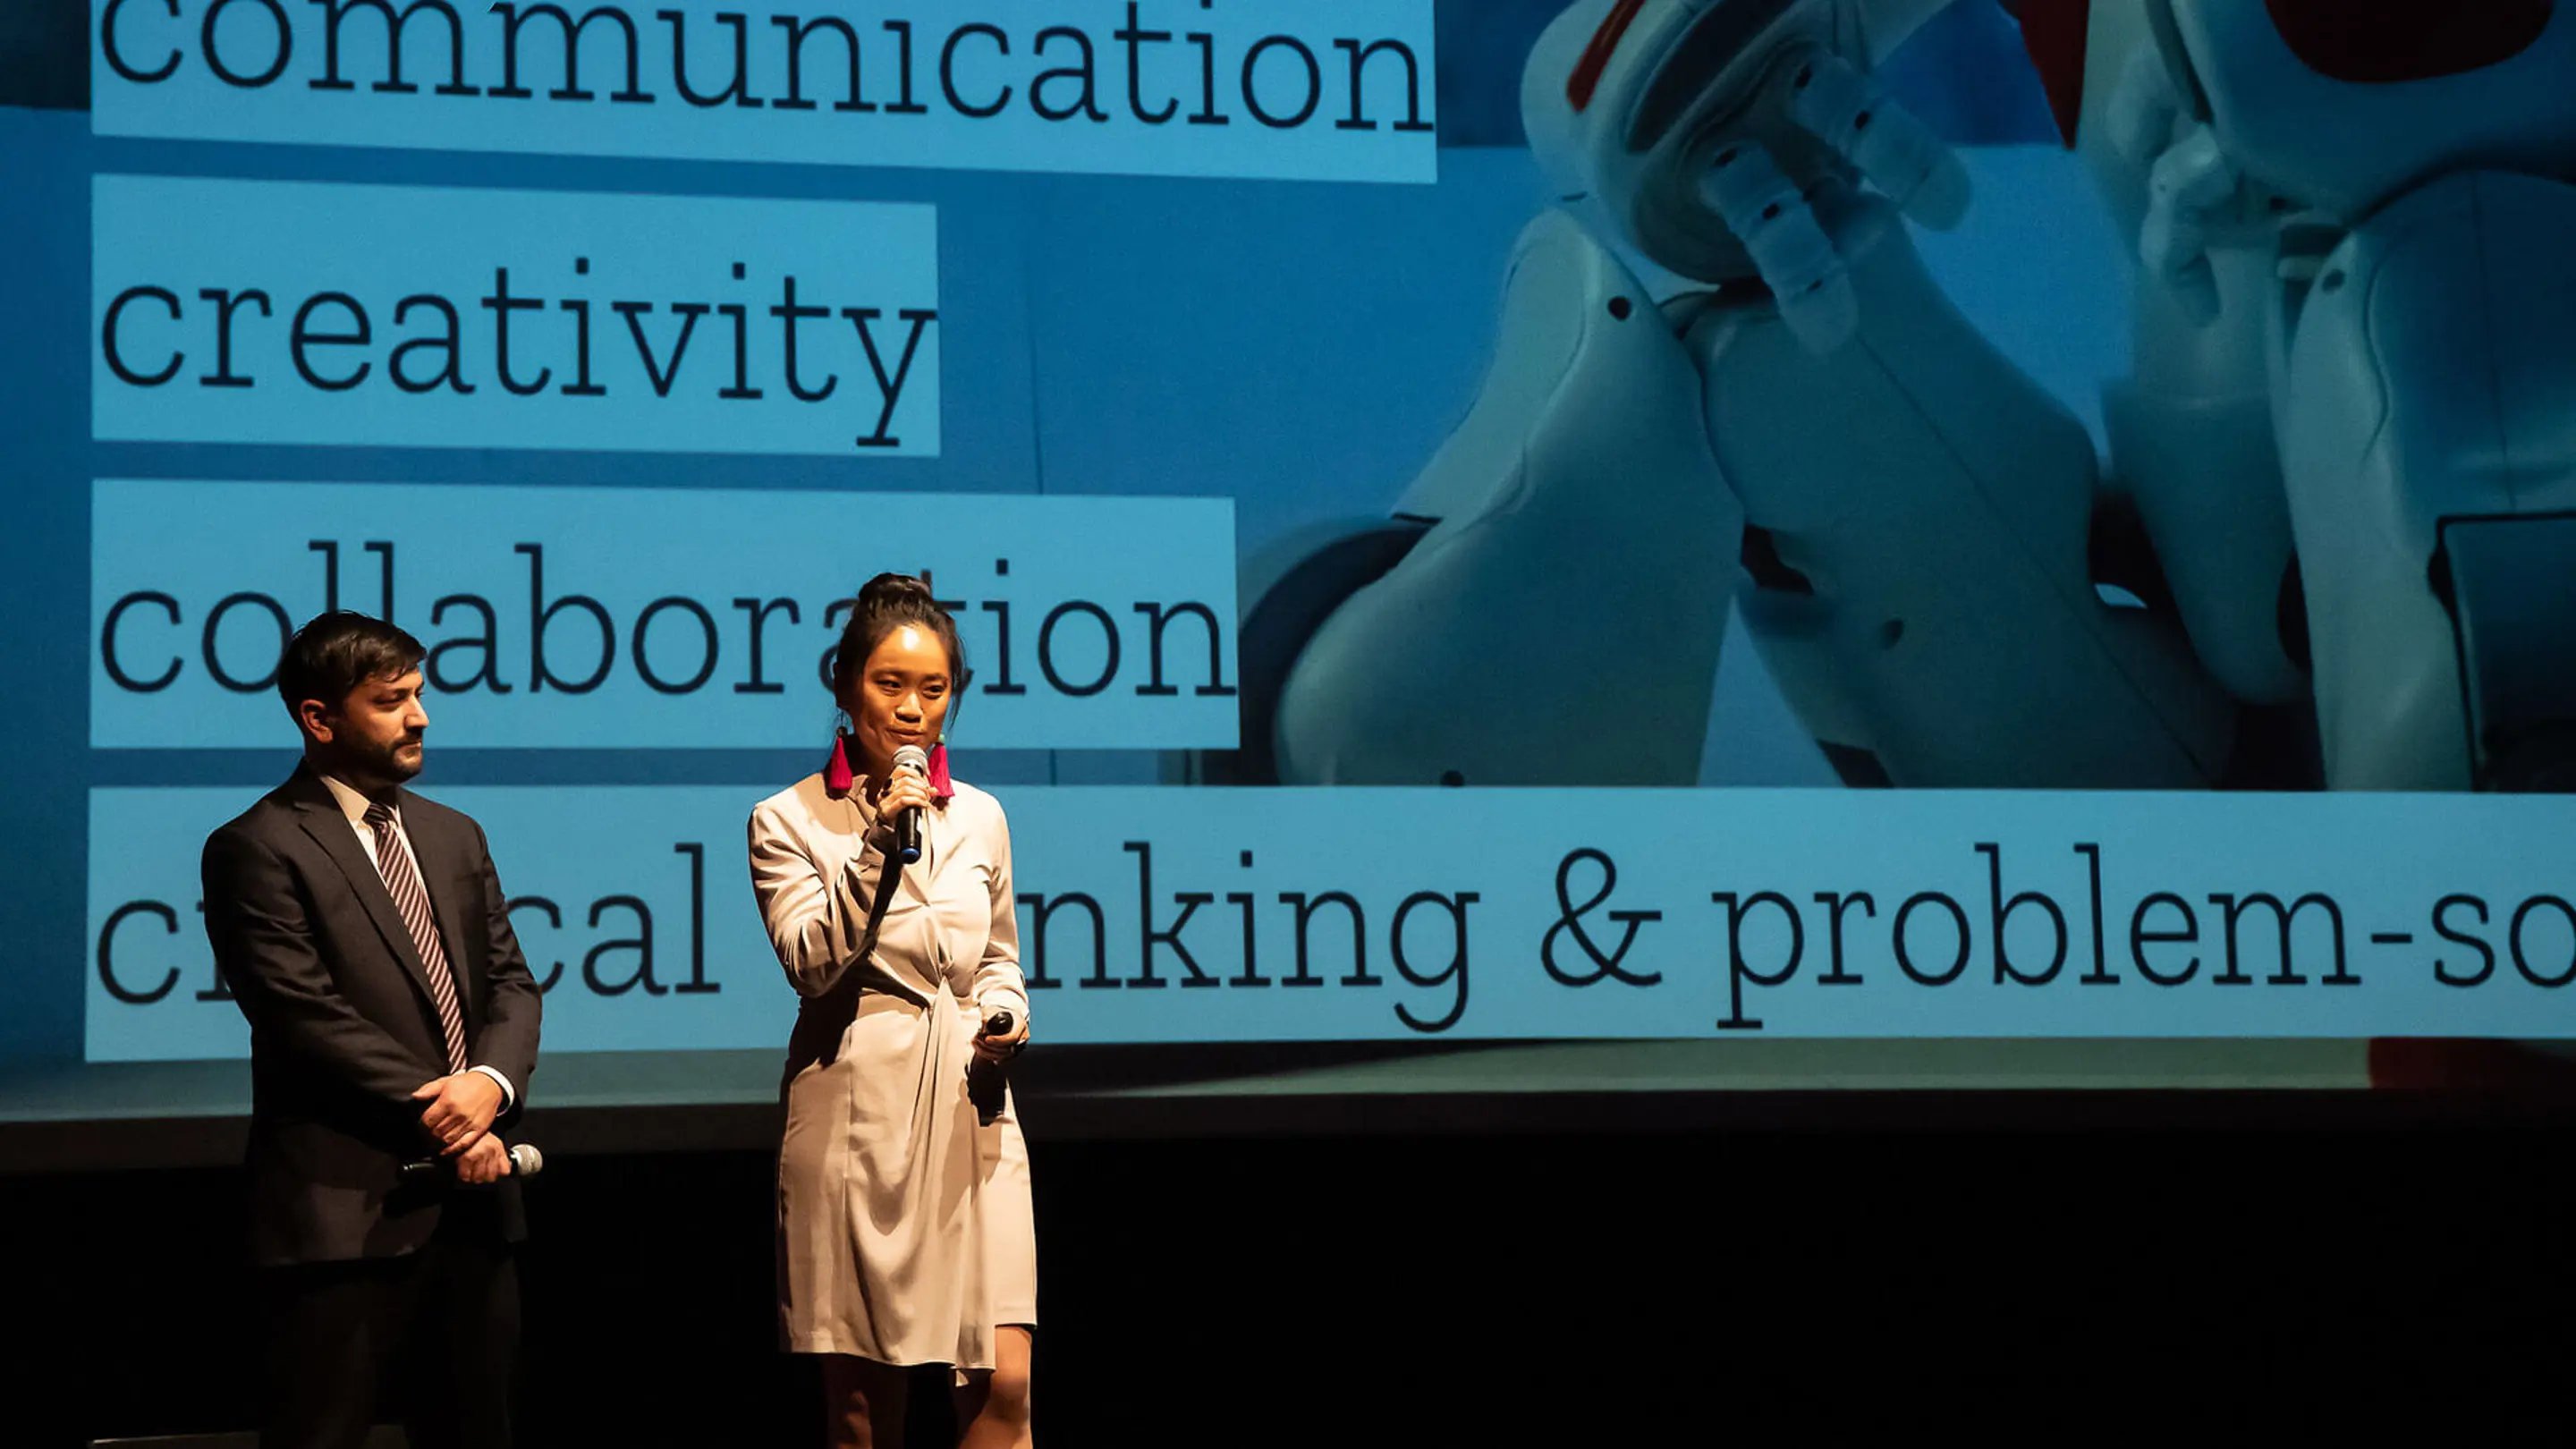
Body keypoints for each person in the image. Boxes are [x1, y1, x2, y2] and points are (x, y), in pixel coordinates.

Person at [200, 611, 542, 1449]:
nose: (419, 717)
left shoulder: (453, 833)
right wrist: (453, 1116)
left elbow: (511, 984)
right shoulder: (258, 846)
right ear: (319, 718)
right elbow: (302, 1016)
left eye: (418, 695)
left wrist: (489, 1086)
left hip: (474, 1211)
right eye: (391, 701)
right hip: (343, 1220)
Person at [748, 572, 1038, 1449]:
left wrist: (1003, 1013)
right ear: (844, 685)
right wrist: (878, 844)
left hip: (975, 1113)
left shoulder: (983, 816)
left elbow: (997, 960)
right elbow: (812, 964)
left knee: (1005, 1382)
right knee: (868, 1412)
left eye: (934, 689)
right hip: (856, 1123)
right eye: (890, 684)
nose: (913, 710)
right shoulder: (786, 820)